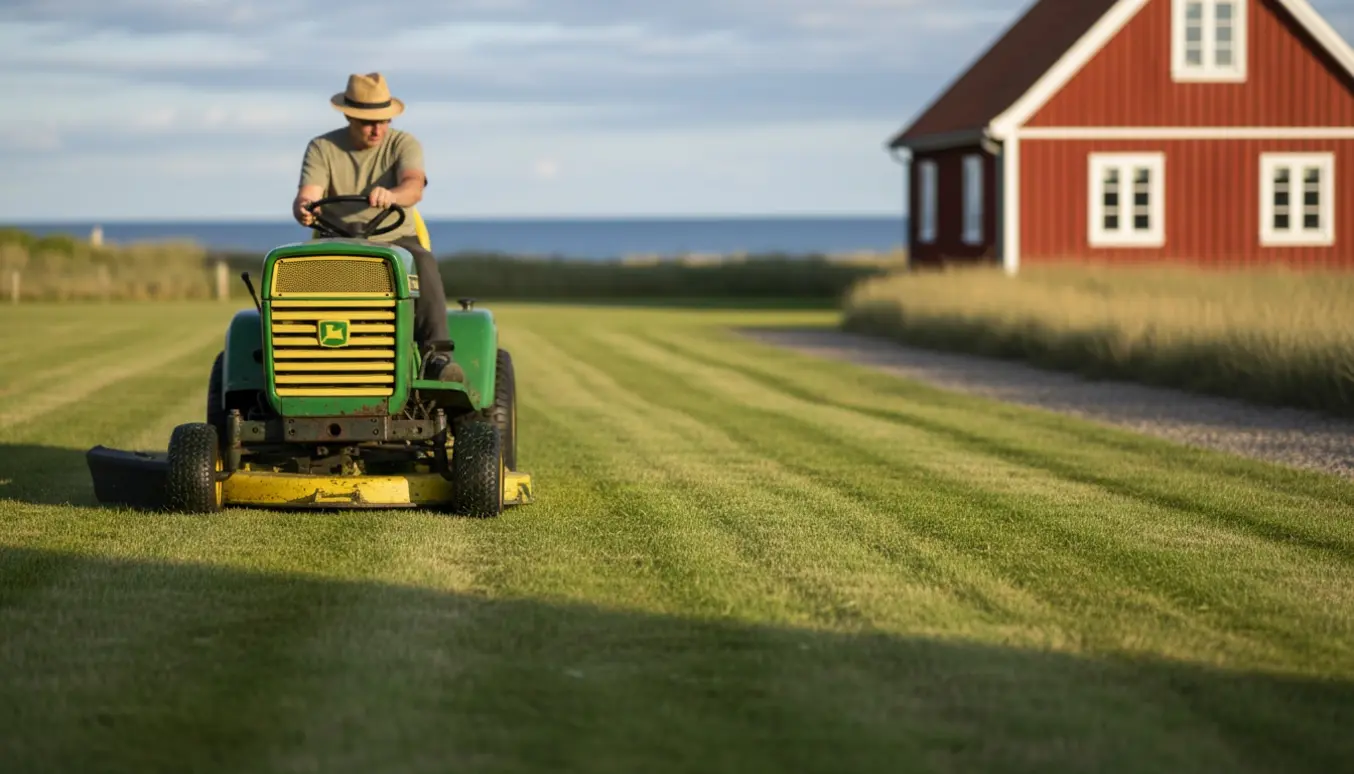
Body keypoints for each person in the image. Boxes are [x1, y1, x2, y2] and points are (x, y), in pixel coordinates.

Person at [292, 72, 463, 383]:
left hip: (395, 239)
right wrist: (304, 207)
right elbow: (309, 194)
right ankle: (296, 359)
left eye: (383, 120)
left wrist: (393, 195)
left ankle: (436, 356)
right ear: (349, 116)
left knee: (422, 261)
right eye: (368, 121)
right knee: (294, 273)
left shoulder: (403, 144)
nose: (377, 128)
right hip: (338, 241)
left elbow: (413, 186)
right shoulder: (322, 148)